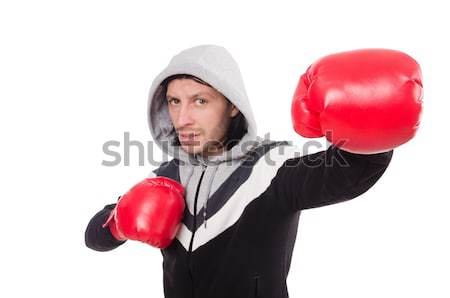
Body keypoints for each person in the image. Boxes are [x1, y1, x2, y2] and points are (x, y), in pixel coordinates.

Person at [85, 45, 421, 298]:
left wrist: (371, 119)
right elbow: (93, 237)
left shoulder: (271, 166)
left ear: (233, 104)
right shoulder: (169, 174)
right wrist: (118, 222)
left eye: (200, 101)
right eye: (174, 101)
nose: (183, 117)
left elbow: (349, 174)